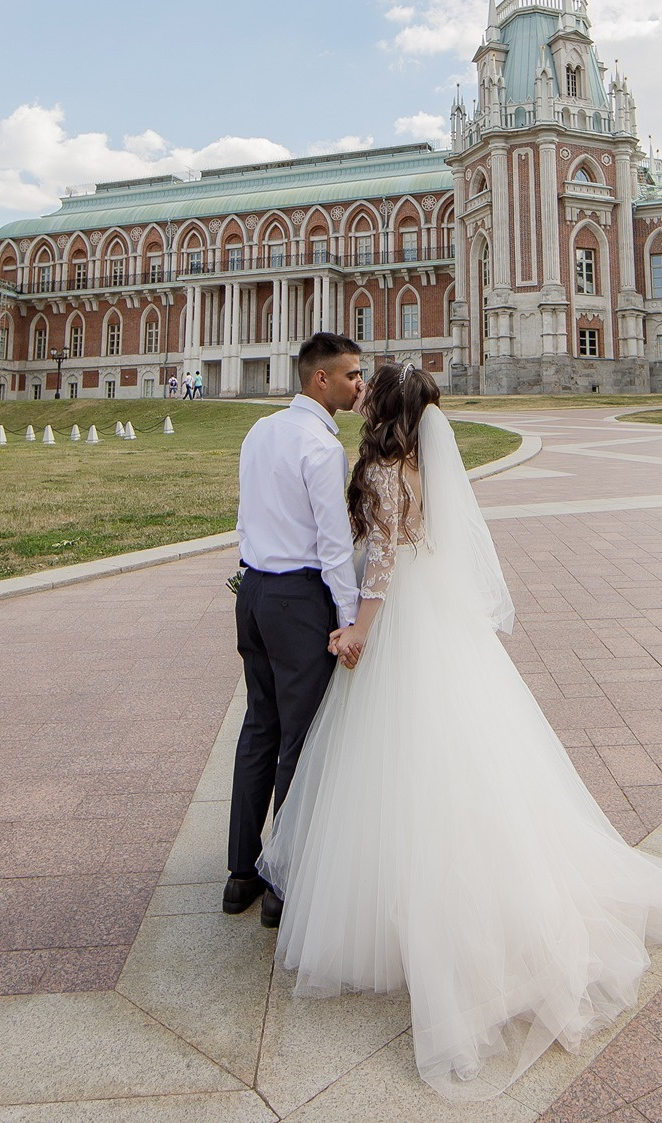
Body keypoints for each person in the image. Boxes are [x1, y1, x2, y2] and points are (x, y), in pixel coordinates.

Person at [259, 362, 662, 1101]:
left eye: (371, 390)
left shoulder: (384, 471)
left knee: (395, 758)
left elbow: (382, 561)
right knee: (462, 755)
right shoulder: (419, 464)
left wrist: (358, 629)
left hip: (402, 617)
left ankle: (413, 911)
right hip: (441, 614)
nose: (361, 396)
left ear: (385, 408)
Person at [226, 331, 366, 929]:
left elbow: (245, 515)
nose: (359, 385)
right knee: (300, 740)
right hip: (297, 599)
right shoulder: (321, 447)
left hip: (254, 591)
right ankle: (283, 881)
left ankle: (241, 873)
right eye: (352, 375)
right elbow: (334, 546)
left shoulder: (261, 430)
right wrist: (348, 619)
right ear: (320, 380)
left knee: (259, 727)